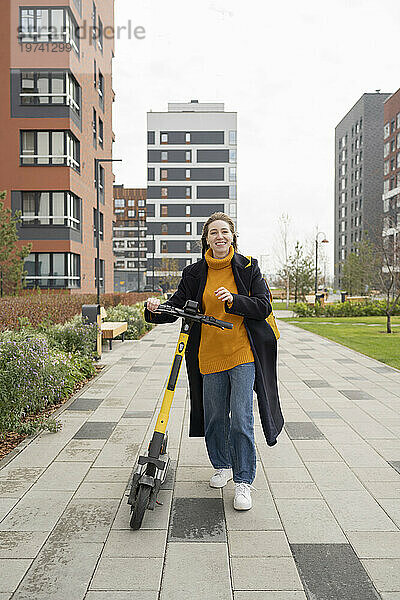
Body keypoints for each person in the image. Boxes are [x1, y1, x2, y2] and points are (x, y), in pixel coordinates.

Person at [145, 212, 284, 510]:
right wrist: (155, 309)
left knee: (241, 418)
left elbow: (263, 306)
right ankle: (222, 465)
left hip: (242, 352)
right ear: (205, 239)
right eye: (213, 233)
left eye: (224, 231)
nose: (219, 237)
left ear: (232, 235)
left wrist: (234, 299)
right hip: (208, 355)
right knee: (216, 418)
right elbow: (177, 306)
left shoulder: (248, 268)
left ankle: (244, 482)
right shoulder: (194, 273)